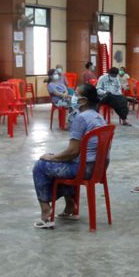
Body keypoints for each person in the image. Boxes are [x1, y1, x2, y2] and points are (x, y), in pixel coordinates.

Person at [32, 83, 107, 229]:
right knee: (60, 162)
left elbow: (73, 151)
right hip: (99, 167)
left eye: (76, 94)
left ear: (83, 100)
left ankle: (46, 212)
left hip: (84, 169)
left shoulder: (81, 118)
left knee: (40, 166)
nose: (73, 97)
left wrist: (51, 157)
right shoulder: (99, 117)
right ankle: (70, 205)